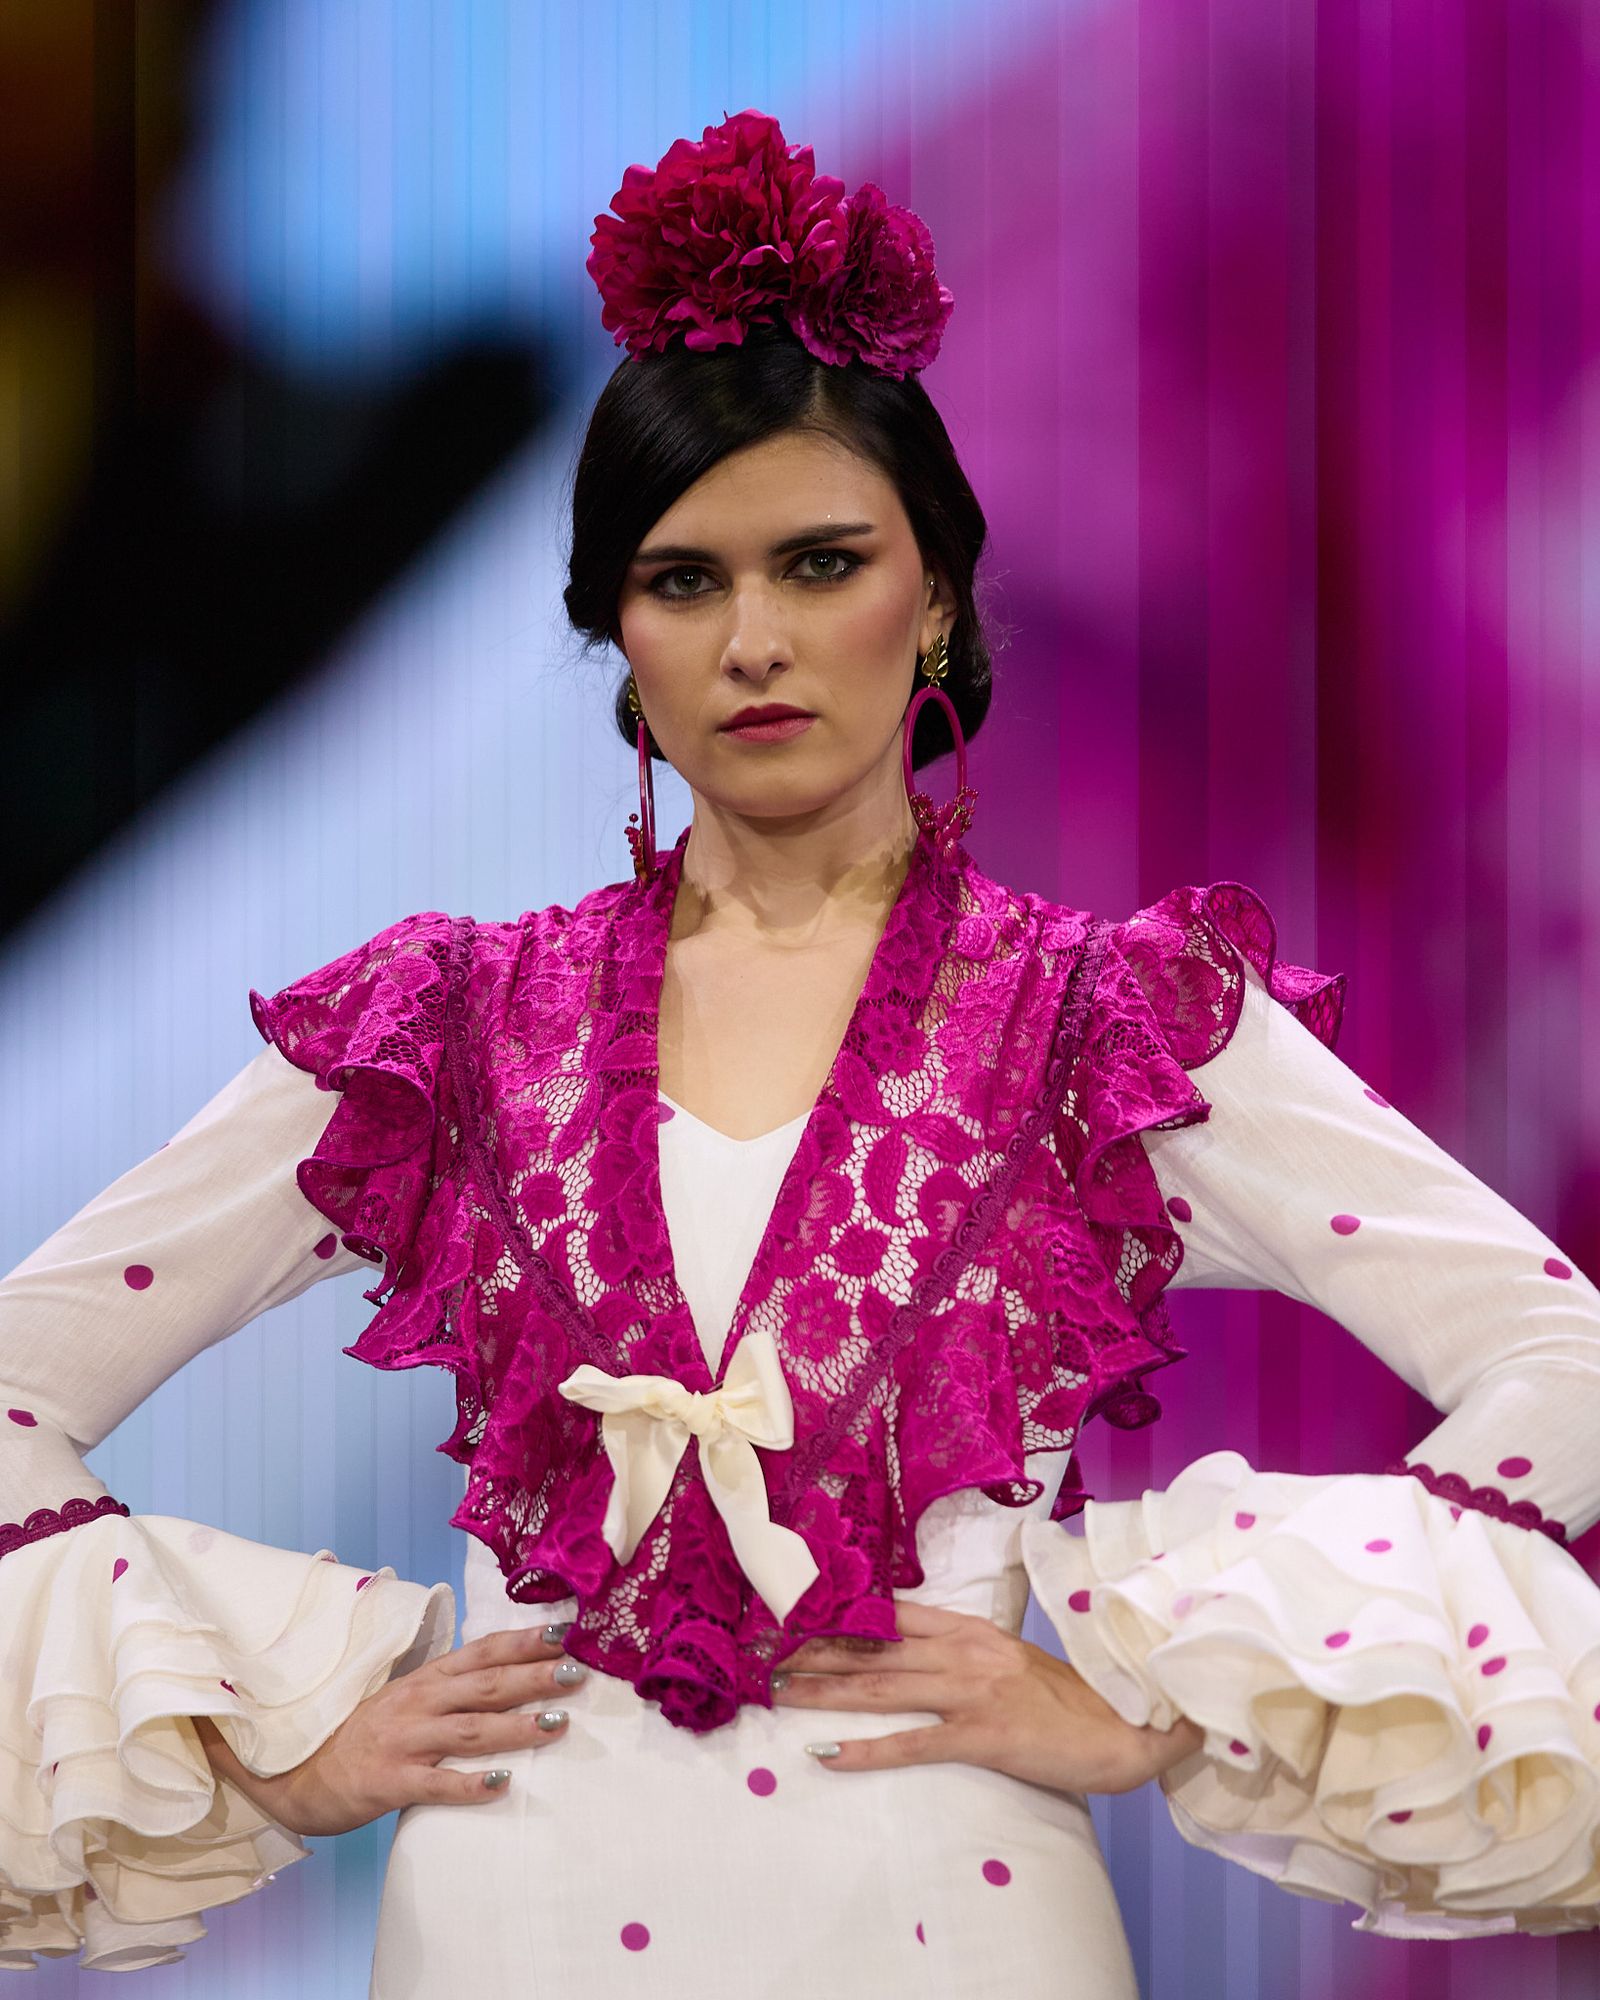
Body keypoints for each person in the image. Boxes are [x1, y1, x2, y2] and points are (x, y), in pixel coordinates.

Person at [2, 108, 1598, 1993]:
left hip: (956, 1922)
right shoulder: (433, 1027)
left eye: (822, 564)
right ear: (614, 630)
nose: (756, 641)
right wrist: (294, 1733)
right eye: (685, 582)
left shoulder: (1113, 1026)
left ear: (934, 598)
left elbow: (1553, 1353)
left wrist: (1152, 1698)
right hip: (514, 1920)